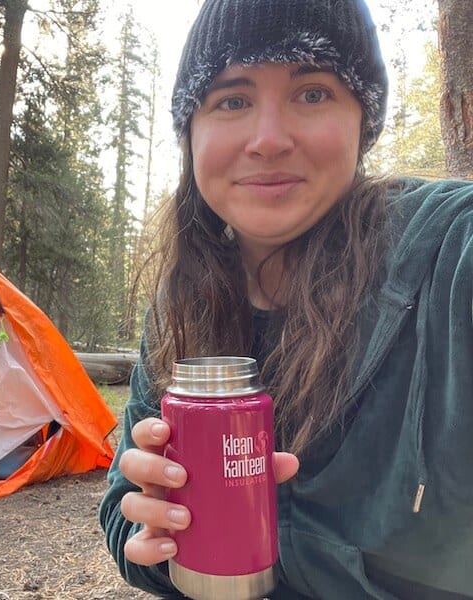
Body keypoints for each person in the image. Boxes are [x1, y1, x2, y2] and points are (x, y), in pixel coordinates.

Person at [98, 0, 473, 598]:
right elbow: (124, 511)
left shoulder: (446, 250)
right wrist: (158, 536)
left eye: (313, 93)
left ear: (362, 120)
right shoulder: (185, 298)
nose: (268, 139)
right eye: (232, 100)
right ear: (191, 133)